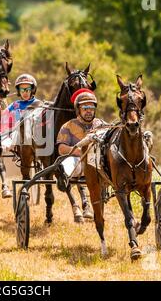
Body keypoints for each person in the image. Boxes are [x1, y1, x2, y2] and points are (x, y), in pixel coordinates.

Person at [56, 88, 104, 222]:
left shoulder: (101, 125)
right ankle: (64, 176)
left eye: (91, 107)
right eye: (85, 108)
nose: (89, 111)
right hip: (77, 161)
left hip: (96, 162)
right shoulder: (68, 126)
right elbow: (61, 148)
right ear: (78, 110)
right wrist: (79, 152)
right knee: (70, 164)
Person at [0, 73, 42, 150]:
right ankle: (3, 147)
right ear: (19, 91)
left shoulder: (39, 104)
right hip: (16, 134)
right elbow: (3, 115)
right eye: (22, 90)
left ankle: (7, 146)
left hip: (35, 134)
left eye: (27, 89)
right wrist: (0, 100)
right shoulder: (15, 104)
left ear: (32, 90)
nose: (25, 92)